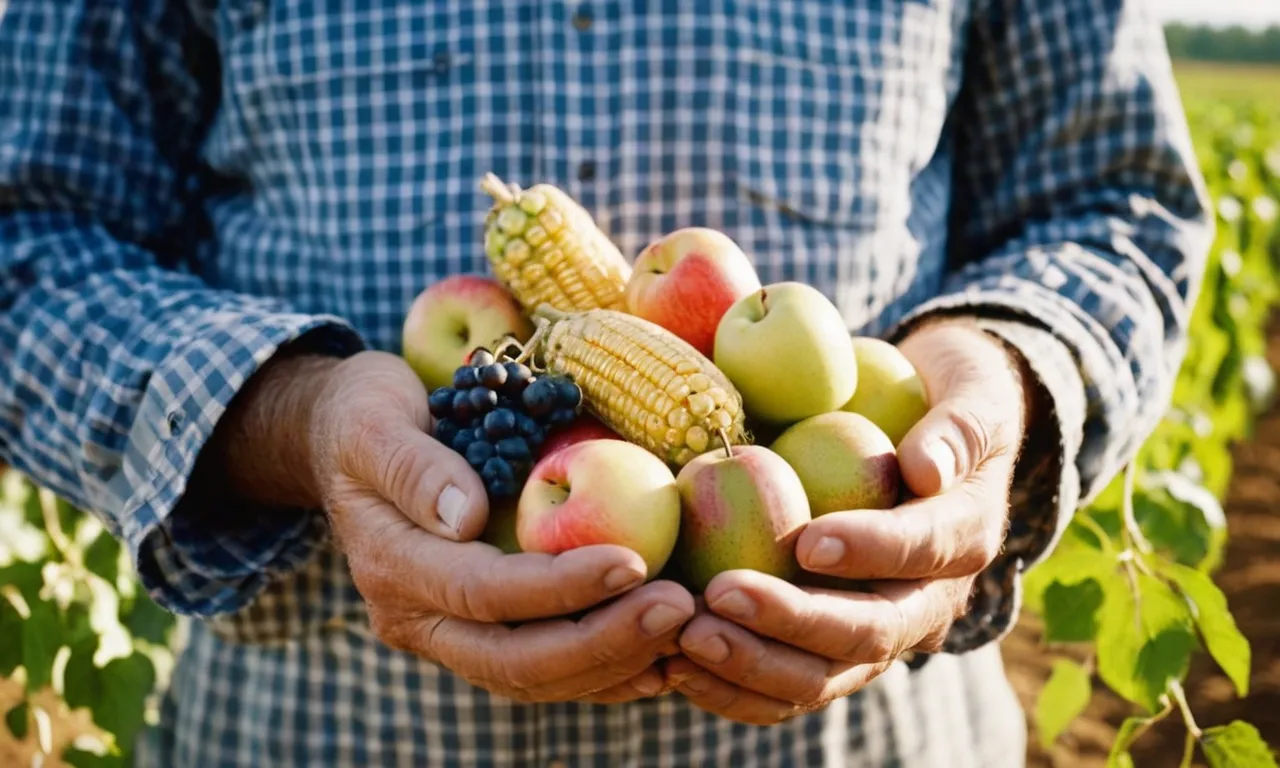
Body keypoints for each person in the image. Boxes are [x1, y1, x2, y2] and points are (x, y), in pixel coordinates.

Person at [0, 1, 1211, 766]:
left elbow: (1113, 197)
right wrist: (297, 416)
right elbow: (27, 235)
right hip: (314, 725)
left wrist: (995, 377)